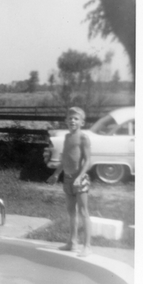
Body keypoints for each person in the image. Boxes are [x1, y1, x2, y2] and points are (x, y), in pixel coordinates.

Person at [46, 106, 92, 257]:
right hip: (67, 179)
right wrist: (56, 174)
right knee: (71, 212)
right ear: (66, 120)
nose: (72, 120)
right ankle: (73, 242)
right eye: (70, 118)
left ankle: (87, 245)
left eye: (76, 118)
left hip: (81, 180)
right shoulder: (66, 137)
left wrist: (80, 177)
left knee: (83, 212)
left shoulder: (83, 138)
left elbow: (88, 161)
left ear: (82, 122)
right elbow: (64, 160)